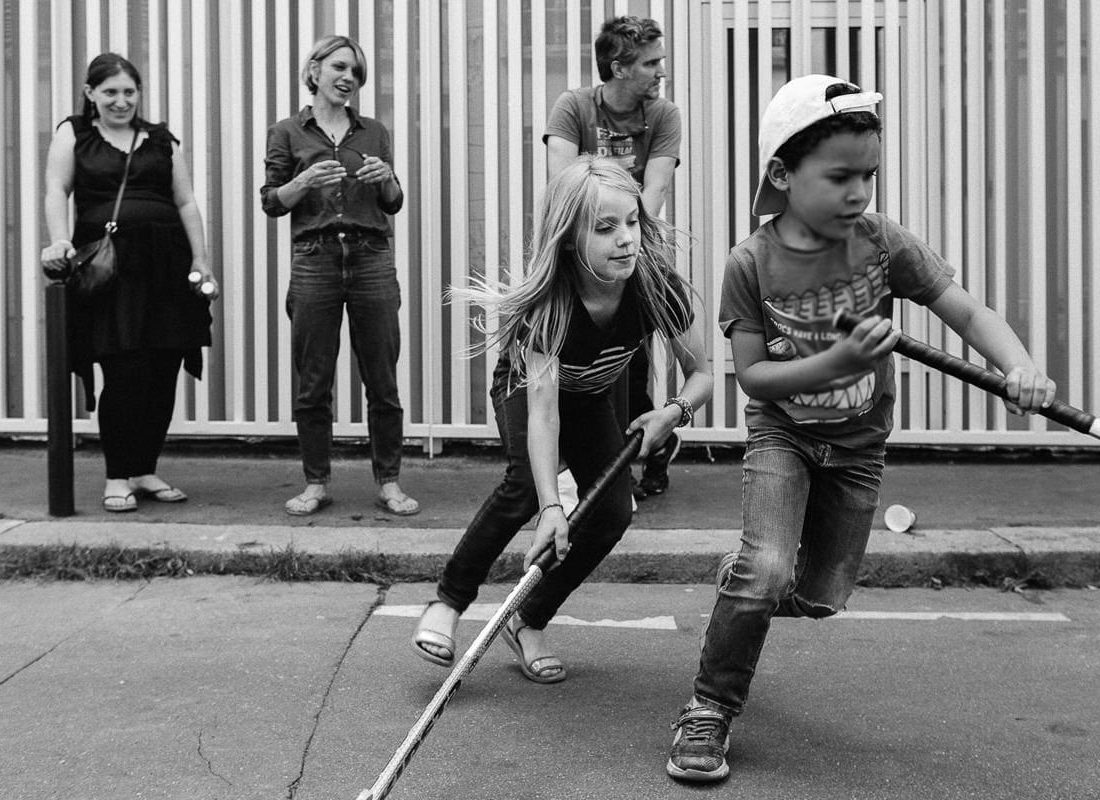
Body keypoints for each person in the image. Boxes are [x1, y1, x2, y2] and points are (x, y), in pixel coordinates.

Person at [666, 74, 1057, 782]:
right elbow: (753, 378)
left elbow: (966, 312)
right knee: (767, 574)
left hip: (857, 448)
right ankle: (708, 709)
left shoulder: (881, 243)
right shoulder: (750, 264)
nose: (859, 193)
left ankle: (746, 579)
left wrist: (1021, 366)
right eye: (840, 176)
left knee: (817, 597)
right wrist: (838, 360)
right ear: (782, 175)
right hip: (781, 435)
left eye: (869, 175)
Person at [412, 156, 713, 682]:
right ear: (571, 238)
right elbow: (544, 417)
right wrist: (554, 506)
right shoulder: (549, 307)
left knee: (614, 512)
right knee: (528, 486)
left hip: (594, 393)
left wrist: (672, 414)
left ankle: (528, 620)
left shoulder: (656, 286)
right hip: (528, 390)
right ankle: (448, 602)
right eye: (606, 228)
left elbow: (703, 374)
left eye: (632, 221)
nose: (627, 239)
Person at [40, 53, 218, 514]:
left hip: (166, 267)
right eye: (111, 92)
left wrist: (201, 259)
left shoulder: (160, 139)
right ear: (91, 94)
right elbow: (56, 190)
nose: (121, 101)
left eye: (129, 92)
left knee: (163, 370)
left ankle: (144, 469)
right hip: (112, 272)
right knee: (123, 371)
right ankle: (117, 475)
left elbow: (186, 202)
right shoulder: (74, 134)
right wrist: (60, 240)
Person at [260, 35, 418, 517]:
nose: (348, 78)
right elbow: (270, 201)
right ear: (315, 71)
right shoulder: (287, 131)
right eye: (340, 68)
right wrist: (302, 182)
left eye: (356, 73)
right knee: (314, 380)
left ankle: (389, 482)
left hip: (371, 257)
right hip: (315, 258)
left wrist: (386, 178)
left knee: (382, 379)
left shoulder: (373, 131)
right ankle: (315, 482)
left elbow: (393, 202)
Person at [544, 14, 684, 499]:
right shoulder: (574, 107)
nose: (659, 70)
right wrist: (595, 237)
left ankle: (639, 458)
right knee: (577, 361)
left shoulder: (663, 115)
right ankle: (583, 469)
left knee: (633, 363)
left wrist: (627, 237)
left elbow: (657, 185)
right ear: (620, 67)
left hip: (635, 248)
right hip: (583, 252)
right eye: (650, 62)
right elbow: (564, 184)